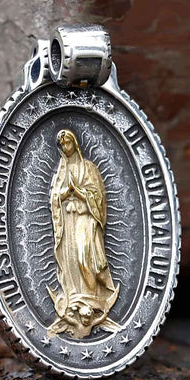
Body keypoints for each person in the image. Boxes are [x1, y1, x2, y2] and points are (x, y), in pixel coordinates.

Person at [47, 129, 120, 338]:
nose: (66, 147)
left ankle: (93, 298)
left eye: (68, 143)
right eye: (62, 144)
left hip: (85, 218)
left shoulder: (88, 168)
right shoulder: (61, 170)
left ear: (75, 144)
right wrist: (63, 194)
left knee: (83, 258)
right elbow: (54, 198)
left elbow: (98, 196)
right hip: (68, 220)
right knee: (70, 260)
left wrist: (79, 193)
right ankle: (76, 301)